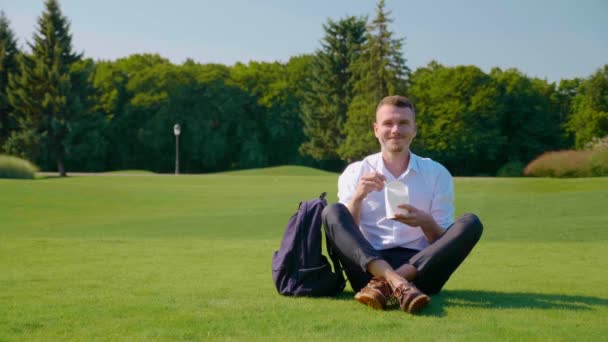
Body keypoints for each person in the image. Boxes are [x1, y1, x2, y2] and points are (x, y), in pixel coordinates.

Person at [322, 95, 483, 314]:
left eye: (403, 123)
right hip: (368, 267)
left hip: (421, 271)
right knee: (332, 211)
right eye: (388, 123)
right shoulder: (356, 172)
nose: (395, 130)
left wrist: (425, 221)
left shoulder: (436, 173)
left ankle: (387, 285)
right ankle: (394, 283)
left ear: (414, 129)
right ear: (376, 129)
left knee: (471, 223)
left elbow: (441, 243)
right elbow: (347, 233)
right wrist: (358, 197)